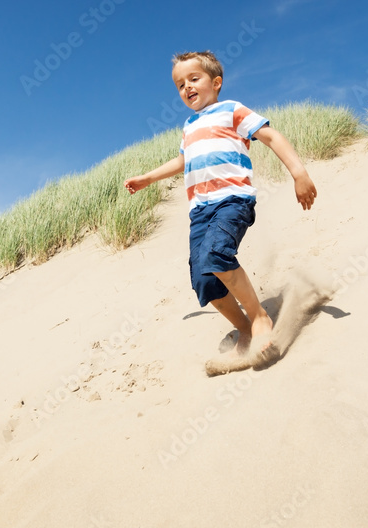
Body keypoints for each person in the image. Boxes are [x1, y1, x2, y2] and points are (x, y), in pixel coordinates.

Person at [124, 51, 317, 375]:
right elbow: (183, 161)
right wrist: (148, 177)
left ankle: (259, 319)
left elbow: (270, 136)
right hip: (199, 212)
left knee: (217, 254)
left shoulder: (231, 110)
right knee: (203, 279)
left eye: (193, 79)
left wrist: (299, 173)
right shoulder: (189, 126)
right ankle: (243, 329)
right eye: (179, 84)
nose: (186, 87)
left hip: (232, 200)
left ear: (216, 82)